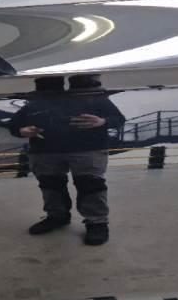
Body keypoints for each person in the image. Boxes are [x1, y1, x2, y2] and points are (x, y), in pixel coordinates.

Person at [10, 74, 125, 246]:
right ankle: (57, 216)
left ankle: (97, 223)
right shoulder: (35, 103)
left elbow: (119, 120)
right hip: (47, 151)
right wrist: (21, 130)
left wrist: (103, 121)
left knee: (90, 185)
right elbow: (14, 125)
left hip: (87, 149)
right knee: (51, 185)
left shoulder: (95, 99)